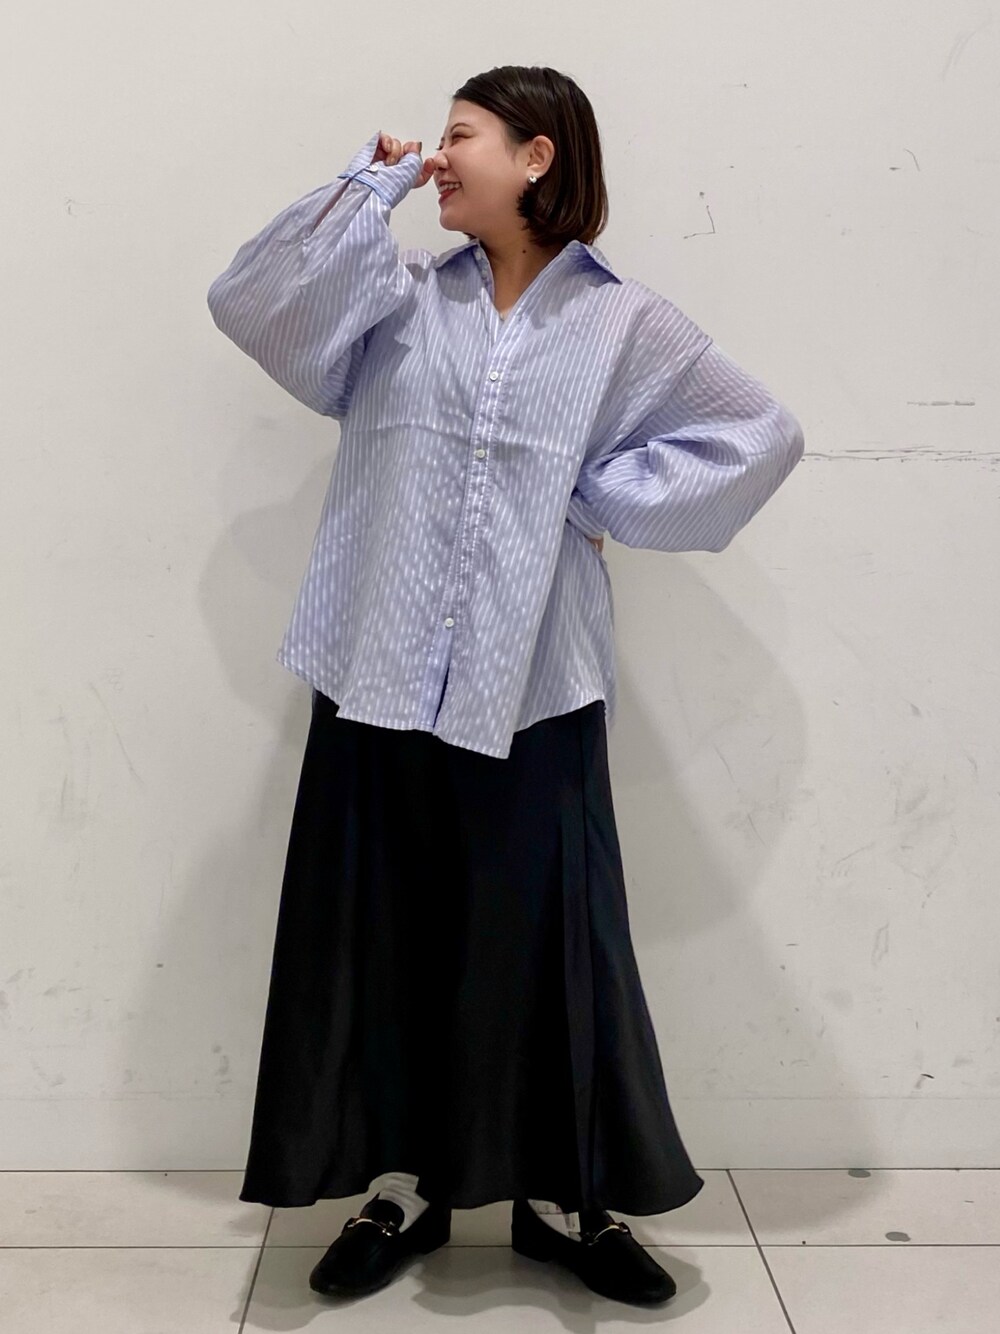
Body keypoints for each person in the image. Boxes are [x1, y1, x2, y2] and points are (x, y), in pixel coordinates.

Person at [206, 64, 804, 1309]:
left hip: (533, 682)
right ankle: (401, 1186)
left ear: (537, 156)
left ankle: (561, 1201)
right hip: (374, 672)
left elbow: (759, 433)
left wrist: (592, 496)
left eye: (460, 135)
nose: (439, 154)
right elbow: (251, 302)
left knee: (547, 947)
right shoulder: (394, 300)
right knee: (384, 933)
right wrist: (370, 185)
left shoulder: (624, 324)